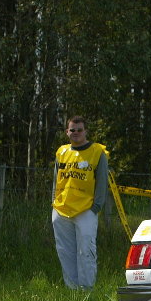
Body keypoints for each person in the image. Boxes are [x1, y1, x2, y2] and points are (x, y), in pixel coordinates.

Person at [52, 116, 109, 290]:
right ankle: (72, 289)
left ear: (86, 131)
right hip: (62, 209)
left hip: (86, 210)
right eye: (72, 130)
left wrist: (96, 207)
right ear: (67, 132)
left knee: (86, 251)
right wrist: (54, 202)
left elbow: (102, 181)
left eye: (79, 130)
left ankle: (87, 289)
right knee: (65, 251)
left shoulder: (97, 152)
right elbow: (56, 180)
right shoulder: (62, 152)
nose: (76, 133)